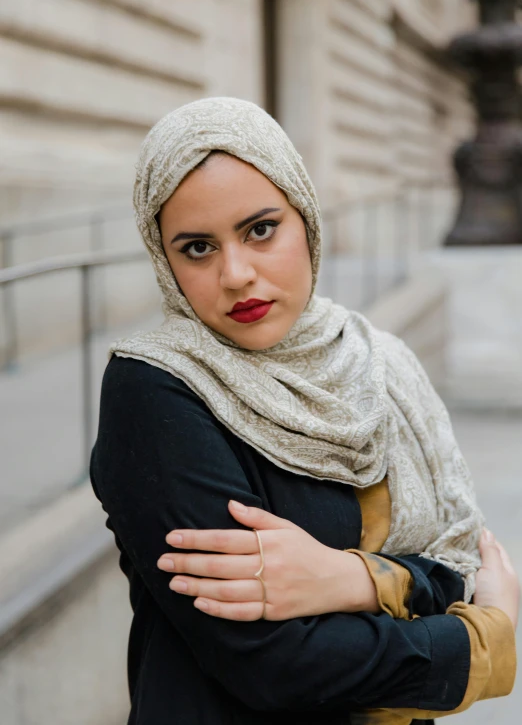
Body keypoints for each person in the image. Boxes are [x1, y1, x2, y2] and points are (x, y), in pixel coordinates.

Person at [90, 97, 518, 725]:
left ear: (307, 219)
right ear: (165, 260)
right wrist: (481, 639)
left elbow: (462, 566)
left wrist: (356, 581)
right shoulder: (155, 388)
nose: (236, 274)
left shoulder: (382, 363)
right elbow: (270, 664)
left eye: (261, 229)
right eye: (198, 248)